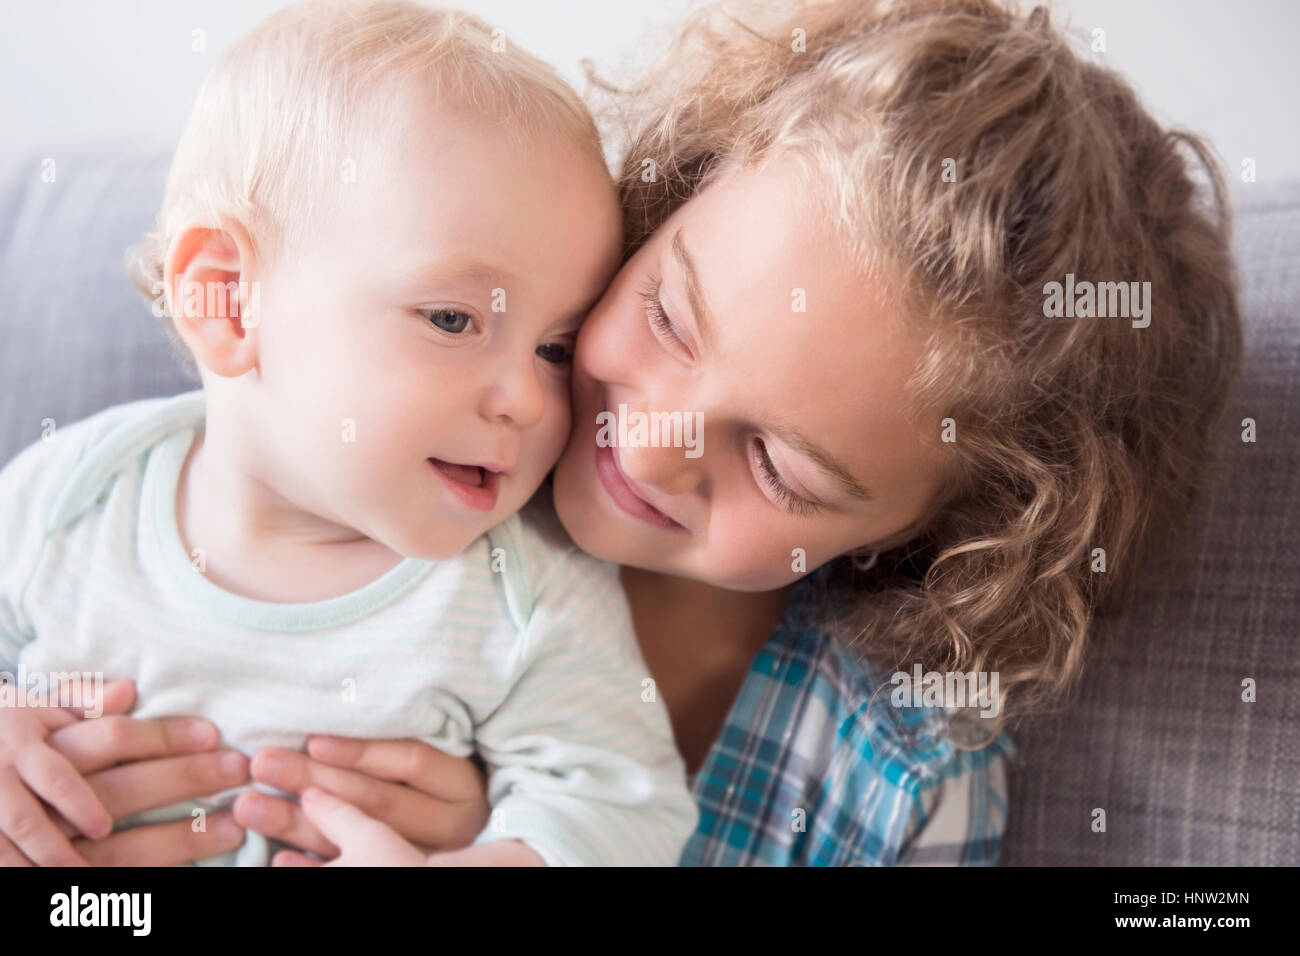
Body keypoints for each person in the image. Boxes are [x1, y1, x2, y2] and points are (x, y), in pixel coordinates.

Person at [11, 0, 1241, 867]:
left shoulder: (891, 774)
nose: (647, 441)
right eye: (667, 311)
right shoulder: (354, 451)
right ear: (670, 191)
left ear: (933, 538)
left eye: (779, 464)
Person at [0, 0, 698, 867]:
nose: (527, 397)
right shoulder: (66, 500)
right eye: (452, 319)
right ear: (227, 298)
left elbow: (623, 811)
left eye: (556, 347)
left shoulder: (522, 593)